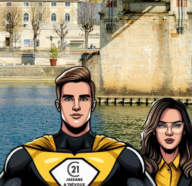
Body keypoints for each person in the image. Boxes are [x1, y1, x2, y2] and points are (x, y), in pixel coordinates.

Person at [0, 66, 154, 186]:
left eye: (83, 99)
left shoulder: (123, 158)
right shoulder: (25, 158)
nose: (76, 106)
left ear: (93, 105)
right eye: (68, 99)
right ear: (58, 105)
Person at [140, 98, 192, 186]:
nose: (169, 132)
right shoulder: (139, 169)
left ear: (184, 130)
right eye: (162, 125)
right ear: (153, 130)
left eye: (176, 125)